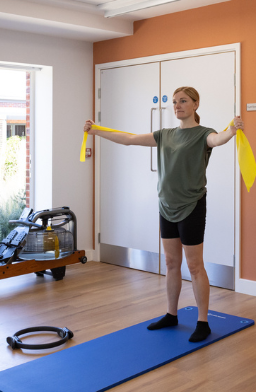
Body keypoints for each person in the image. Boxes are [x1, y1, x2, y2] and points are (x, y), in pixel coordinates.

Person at [85, 87, 244, 342]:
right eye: (175, 102)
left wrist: (232, 131)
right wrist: (95, 131)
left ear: (195, 104)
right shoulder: (165, 135)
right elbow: (129, 139)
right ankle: (172, 314)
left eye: (183, 101)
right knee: (171, 263)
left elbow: (219, 139)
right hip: (166, 206)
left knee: (194, 265)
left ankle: (203, 321)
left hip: (192, 205)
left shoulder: (204, 134)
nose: (178, 105)